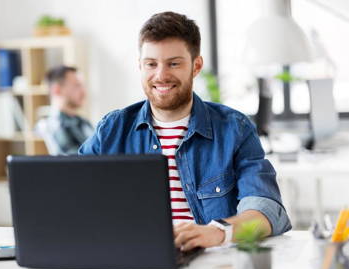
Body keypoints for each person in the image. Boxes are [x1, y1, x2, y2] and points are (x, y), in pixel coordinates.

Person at [79, 12, 291, 251]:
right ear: (140, 65)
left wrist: (218, 232)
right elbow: (73, 193)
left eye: (174, 63)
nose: (161, 75)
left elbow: (266, 210)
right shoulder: (112, 129)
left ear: (196, 66)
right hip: (131, 258)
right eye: (151, 64)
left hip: (208, 264)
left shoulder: (235, 128)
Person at [36, 65, 93, 155]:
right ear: (57, 90)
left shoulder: (82, 121)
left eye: (82, 85)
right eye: (77, 85)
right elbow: (76, 160)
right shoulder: (53, 124)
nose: (83, 91)